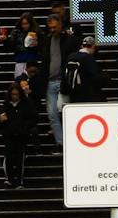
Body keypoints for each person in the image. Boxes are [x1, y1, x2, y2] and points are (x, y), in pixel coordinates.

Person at [44, 11, 79, 147]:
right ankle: (61, 143)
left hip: (64, 81)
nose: (52, 30)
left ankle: (68, 142)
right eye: (50, 28)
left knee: (64, 113)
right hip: (51, 81)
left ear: (60, 25)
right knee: (52, 114)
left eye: (55, 27)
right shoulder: (47, 40)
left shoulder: (69, 39)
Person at [0, 80, 35, 188]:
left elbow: (34, 118)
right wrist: (0, 120)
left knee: (19, 159)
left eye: (17, 94)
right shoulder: (5, 105)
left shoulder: (26, 104)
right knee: (9, 158)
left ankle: (19, 181)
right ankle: (10, 179)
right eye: (13, 94)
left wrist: (24, 127)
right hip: (9, 136)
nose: (15, 97)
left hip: (21, 136)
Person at [67, 34, 107, 103]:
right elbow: (96, 77)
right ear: (93, 46)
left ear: (82, 46)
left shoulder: (71, 56)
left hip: (73, 94)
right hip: (88, 94)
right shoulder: (89, 58)